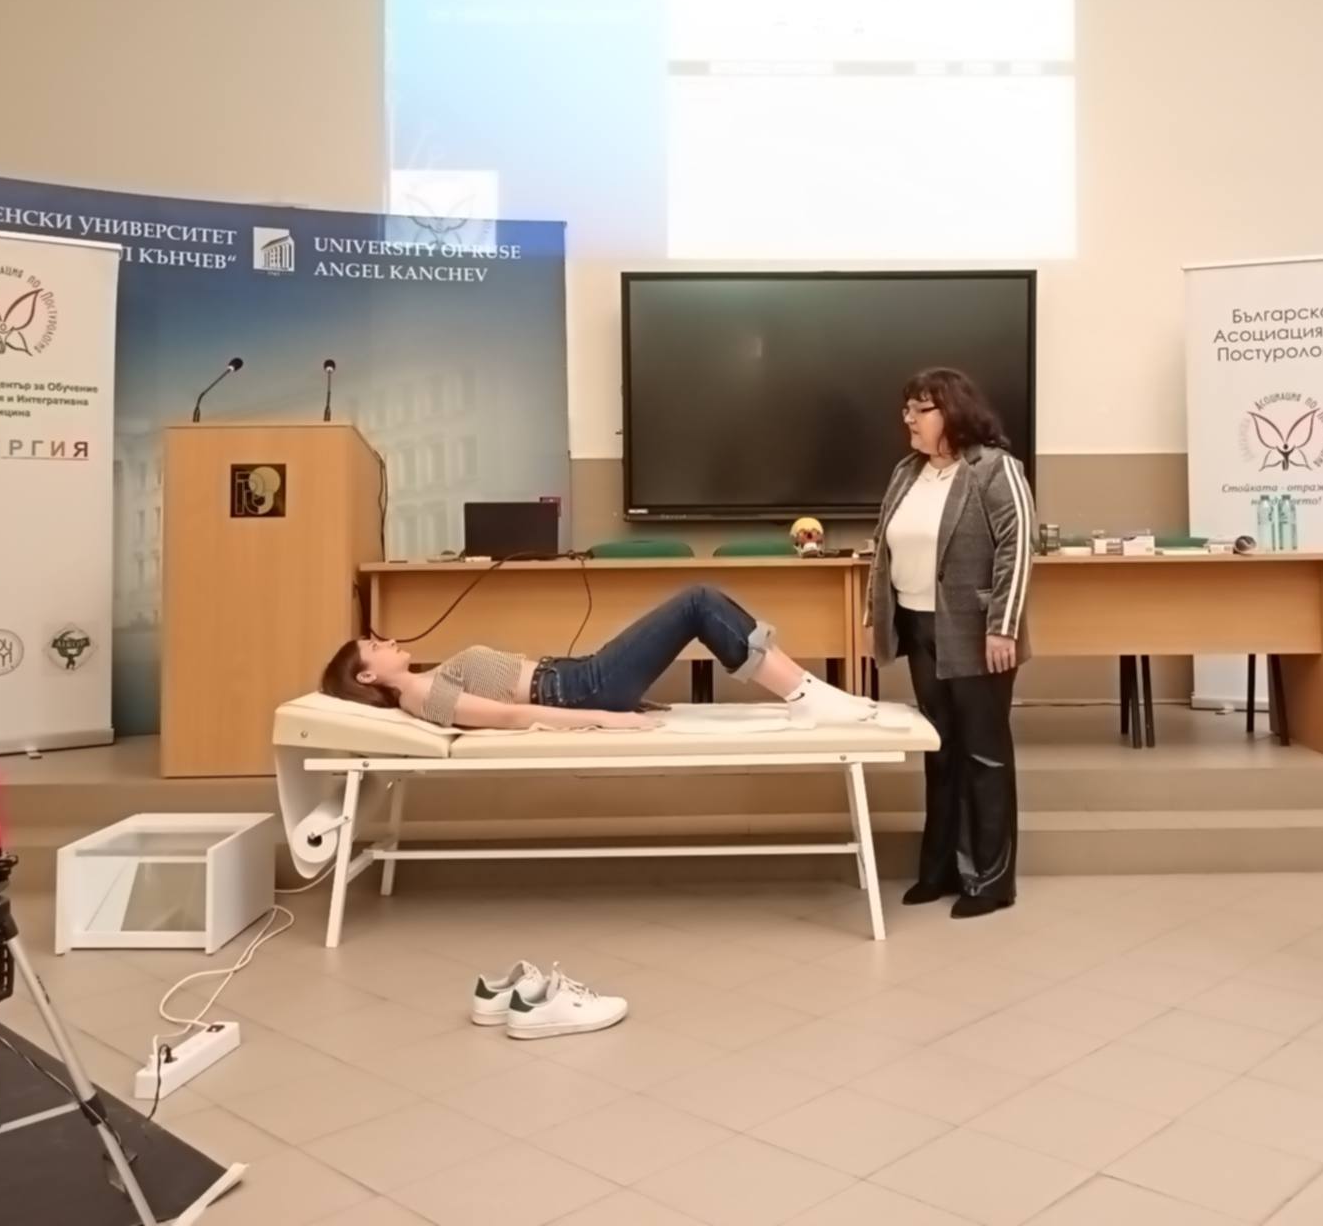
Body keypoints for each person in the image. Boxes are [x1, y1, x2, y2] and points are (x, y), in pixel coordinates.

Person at [869, 367, 1035, 919]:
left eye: (921, 409)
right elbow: (885, 548)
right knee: (940, 750)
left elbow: (1018, 547)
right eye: (907, 409)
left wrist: (1003, 626)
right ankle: (939, 870)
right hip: (920, 628)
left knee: (983, 753)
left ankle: (990, 881)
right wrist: (876, 615)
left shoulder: (994, 468)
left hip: (978, 632)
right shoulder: (906, 472)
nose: (909, 420)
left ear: (953, 411)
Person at [321, 584, 880, 731]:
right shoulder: (421, 694)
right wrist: (608, 718)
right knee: (697, 603)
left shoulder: (424, 684)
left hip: (577, 677)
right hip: (582, 688)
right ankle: (807, 694)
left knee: (706, 603)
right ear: (366, 676)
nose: (386, 641)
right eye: (374, 646)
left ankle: (809, 693)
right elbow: (513, 715)